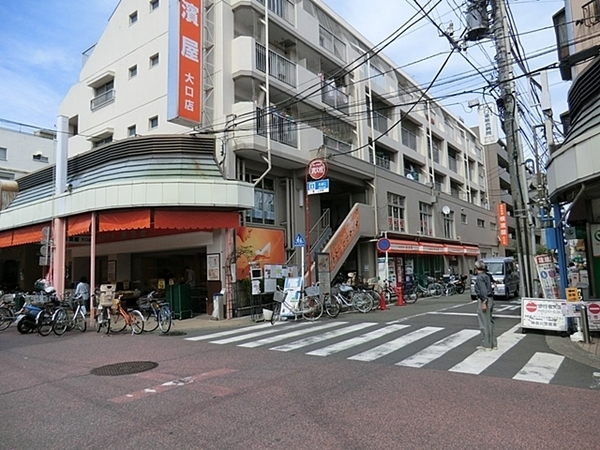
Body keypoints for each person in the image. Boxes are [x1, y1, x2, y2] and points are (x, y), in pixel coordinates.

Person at [473, 260, 497, 351]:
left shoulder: (479, 277)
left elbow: (483, 290)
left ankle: (486, 344)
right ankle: (493, 343)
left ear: (476, 268)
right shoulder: (487, 276)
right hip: (490, 299)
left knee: (484, 323)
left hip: (484, 300)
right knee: (490, 322)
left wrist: (484, 302)